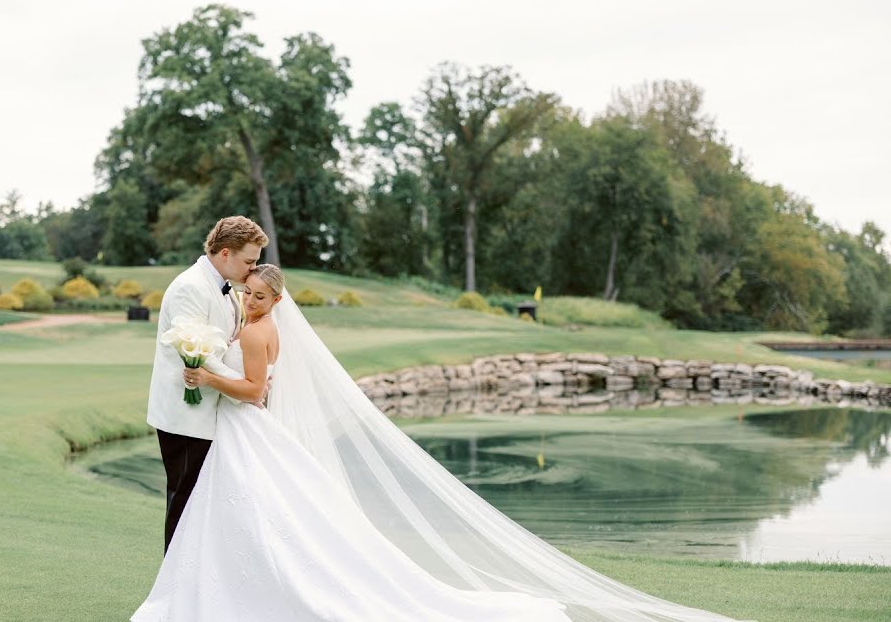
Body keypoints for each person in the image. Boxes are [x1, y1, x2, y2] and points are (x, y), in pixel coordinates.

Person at [136, 262, 751, 622]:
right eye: (246, 290)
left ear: (272, 300)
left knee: (255, 512)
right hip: (246, 433)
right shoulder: (259, 323)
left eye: (254, 293)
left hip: (245, 424)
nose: (245, 296)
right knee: (265, 513)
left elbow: (252, 392)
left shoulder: (255, 332)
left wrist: (204, 374)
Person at [146, 216, 268, 553]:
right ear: (225, 253)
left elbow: (226, 346)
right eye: (249, 261)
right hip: (186, 414)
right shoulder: (190, 287)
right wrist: (244, 387)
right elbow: (199, 351)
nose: (253, 268)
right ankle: (173, 589)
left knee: (204, 503)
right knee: (185, 500)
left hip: (211, 412)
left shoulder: (226, 290)